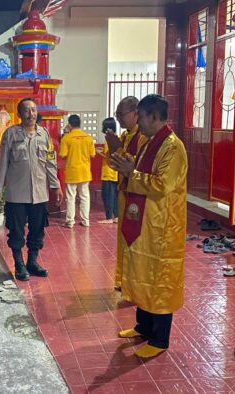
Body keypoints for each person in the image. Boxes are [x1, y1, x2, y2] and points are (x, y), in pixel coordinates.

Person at [109, 94, 187, 358]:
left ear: (154, 116)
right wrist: (124, 168)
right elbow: (136, 174)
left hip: (163, 226)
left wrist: (133, 173)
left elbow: (163, 185)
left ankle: (159, 339)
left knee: (159, 279)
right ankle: (143, 326)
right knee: (141, 272)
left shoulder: (172, 147)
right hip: (144, 222)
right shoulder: (150, 142)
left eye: (140, 117)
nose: (137, 123)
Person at [0, 98, 63, 281]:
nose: (31, 114)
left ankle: (32, 262)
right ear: (19, 114)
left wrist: (56, 185)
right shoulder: (11, 134)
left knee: (37, 229)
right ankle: (19, 265)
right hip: (17, 194)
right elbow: (2, 164)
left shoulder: (44, 135)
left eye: (33, 110)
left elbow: (50, 163)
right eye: (27, 110)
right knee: (16, 231)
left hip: (39, 194)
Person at [109, 97, 147, 291]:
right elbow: (117, 164)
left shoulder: (142, 137)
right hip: (124, 192)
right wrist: (114, 148)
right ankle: (123, 279)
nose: (119, 119)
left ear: (136, 113)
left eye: (121, 114)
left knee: (134, 238)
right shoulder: (126, 135)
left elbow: (138, 166)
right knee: (123, 238)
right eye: (117, 115)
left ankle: (133, 281)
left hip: (138, 195)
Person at [59, 114, 95, 228]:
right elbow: (92, 155)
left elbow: (63, 155)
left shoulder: (66, 138)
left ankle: (70, 222)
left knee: (71, 197)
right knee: (85, 196)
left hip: (72, 172)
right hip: (84, 172)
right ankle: (86, 221)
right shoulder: (88, 138)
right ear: (80, 123)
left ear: (69, 124)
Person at [97, 117, 119, 224]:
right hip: (115, 172)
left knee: (107, 196)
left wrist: (99, 152)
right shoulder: (116, 138)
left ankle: (109, 217)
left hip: (108, 172)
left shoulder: (109, 140)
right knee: (114, 196)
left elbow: (109, 157)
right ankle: (116, 216)